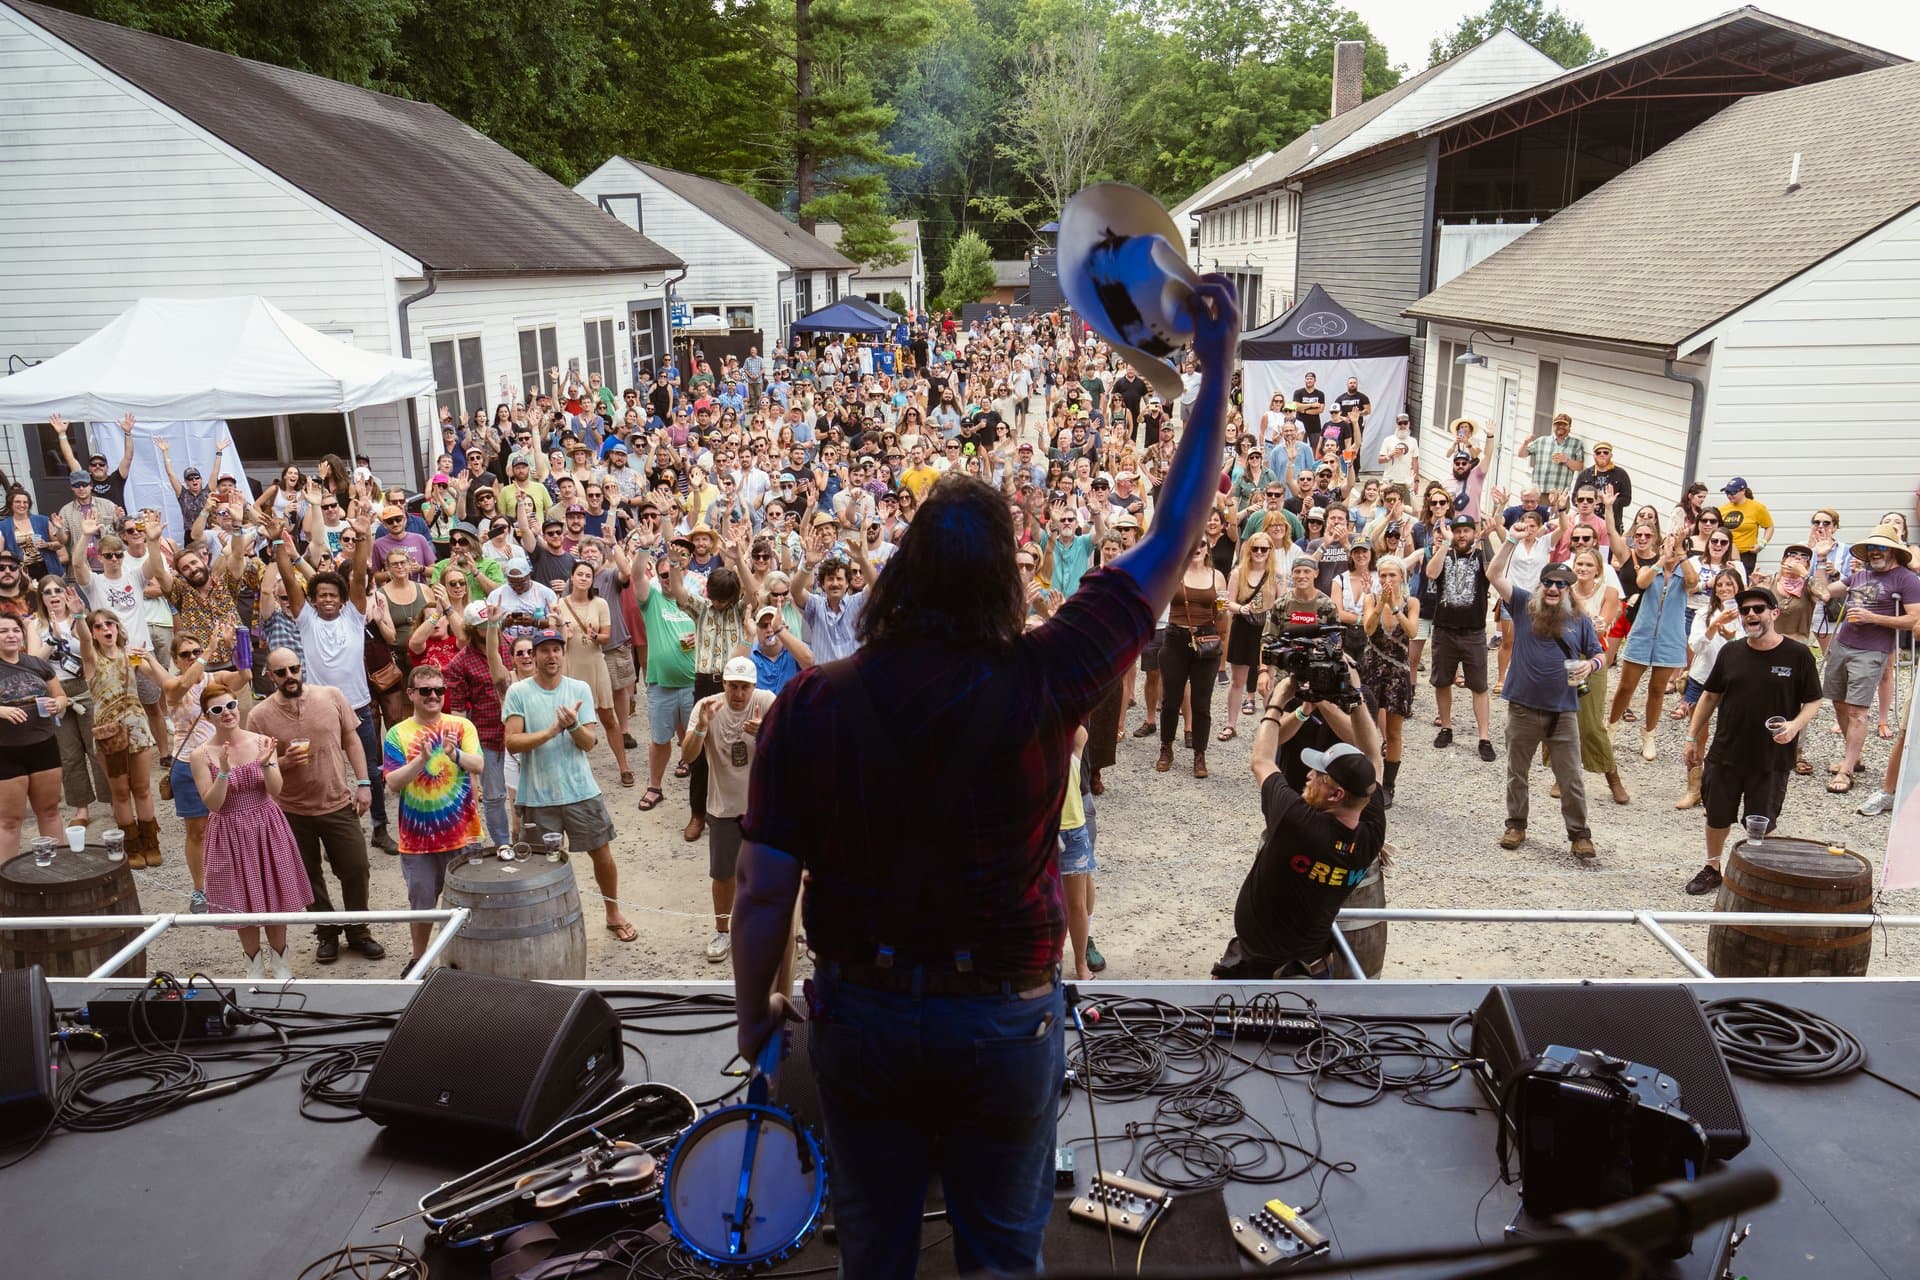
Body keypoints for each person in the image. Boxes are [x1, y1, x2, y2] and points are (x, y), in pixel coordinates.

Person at [729, 276, 1240, 1276]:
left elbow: (760, 891)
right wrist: (1218, 366)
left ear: (897, 575)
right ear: (1009, 578)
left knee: (871, 1250)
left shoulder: (812, 705)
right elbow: (1176, 537)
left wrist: (758, 1022)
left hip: (862, 1015)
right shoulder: (1050, 673)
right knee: (1003, 1257)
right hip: (1002, 1019)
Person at [1214, 671, 1385, 978]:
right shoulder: (1371, 830)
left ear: (1336, 794)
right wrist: (1356, 696)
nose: (1308, 775)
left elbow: (1262, 761)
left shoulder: (1298, 823)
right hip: (1312, 968)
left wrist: (1276, 704)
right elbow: (1374, 754)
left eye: (1318, 774)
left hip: (1260, 972)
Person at [1680, 586, 1824, 895]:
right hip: (1726, 750)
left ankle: (1757, 873)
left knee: (1762, 819)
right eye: (1745, 611)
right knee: (1717, 813)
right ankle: (1712, 868)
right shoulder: (1731, 651)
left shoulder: (1797, 654)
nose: (1751, 615)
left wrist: (1795, 726)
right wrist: (1692, 737)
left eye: (1758, 609)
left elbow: (1814, 700)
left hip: (1771, 755)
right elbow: (1709, 696)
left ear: (1774, 613)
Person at [247, 646, 386, 964]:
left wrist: (364, 784)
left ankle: (358, 930)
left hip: (337, 801)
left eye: (294, 669)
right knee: (308, 876)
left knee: (356, 868)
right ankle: (326, 933)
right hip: (290, 810)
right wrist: (283, 761)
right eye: (281, 672)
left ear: (301, 667)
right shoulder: (259, 716)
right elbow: (256, 768)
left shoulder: (331, 696)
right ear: (269, 676)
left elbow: (352, 739)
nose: (290, 676)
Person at [502, 626, 635, 941]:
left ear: (563, 653)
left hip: (580, 790)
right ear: (533, 656)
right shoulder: (518, 692)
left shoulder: (579, 689)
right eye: (544, 650)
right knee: (538, 865)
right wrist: (550, 731)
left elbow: (589, 742)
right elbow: (512, 742)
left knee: (601, 854)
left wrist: (573, 724)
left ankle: (613, 912)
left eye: (556, 649)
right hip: (536, 795)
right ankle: (542, 923)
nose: (551, 656)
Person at [1487, 554, 1605, 860]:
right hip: (1523, 708)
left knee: (1571, 778)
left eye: (1561, 585)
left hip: (1563, 712)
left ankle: (1579, 835)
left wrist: (1590, 665)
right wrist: (1511, 539)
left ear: (1569, 590)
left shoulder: (1579, 620)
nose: (1554, 588)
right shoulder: (1524, 604)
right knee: (1517, 772)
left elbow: (1598, 653)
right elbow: (1494, 573)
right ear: (1541, 585)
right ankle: (1516, 825)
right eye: (1549, 582)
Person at [189, 691, 310, 979]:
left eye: (230, 705)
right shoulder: (200, 755)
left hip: (265, 823)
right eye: (217, 710)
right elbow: (213, 804)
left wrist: (268, 762)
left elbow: (276, 789)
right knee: (241, 899)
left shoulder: (261, 742)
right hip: (228, 828)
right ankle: (253, 967)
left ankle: (281, 963)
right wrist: (224, 772)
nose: (227, 712)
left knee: (274, 893)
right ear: (208, 717)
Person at [383, 664, 485, 971]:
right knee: (422, 906)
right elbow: (393, 782)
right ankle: (419, 959)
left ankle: (465, 962)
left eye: (439, 690)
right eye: (425, 691)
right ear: (411, 694)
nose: (433, 696)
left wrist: (454, 755)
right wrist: (422, 759)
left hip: (463, 834)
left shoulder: (461, 726)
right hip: (418, 841)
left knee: (467, 905)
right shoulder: (397, 733)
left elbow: (478, 764)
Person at [1812, 524, 1920, 794]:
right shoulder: (1860, 575)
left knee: (1857, 710)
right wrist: (1822, 559)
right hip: (1843, 644)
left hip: (1872, 651)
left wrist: (1874, 618)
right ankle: (1855, 756)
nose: (1874, 552)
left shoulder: (1906, 579)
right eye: (1871, 548)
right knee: (1838, 702)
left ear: (1893, 550)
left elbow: (1914, 619)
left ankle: (1847, 770)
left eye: (1880, 547)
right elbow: (1823, 592)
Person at [682, 656, 774, 964]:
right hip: (723, 807)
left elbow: (791, 749)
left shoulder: (766, 701)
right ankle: (722, 930)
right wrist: (701, 729)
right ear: (723, 685)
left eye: (744, 687)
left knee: (764, 874)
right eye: (733, 686)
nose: (738, 694)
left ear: (754, 686)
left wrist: (765, 733)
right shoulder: (707, 706)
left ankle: (759, 932)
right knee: (723, 875)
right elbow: (688, 754)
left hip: (763, 807)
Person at [158, 636, 250, 911]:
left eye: (196, 652)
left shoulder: (215, 678)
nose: (193, 657)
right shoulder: (173, 686)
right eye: (186, 654)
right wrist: (209, 650)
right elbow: (185, 684)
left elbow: (245, 675)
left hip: (219, 759)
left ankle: (236, 881)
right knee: (197, 832)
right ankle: (200, 888)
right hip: (187, 763)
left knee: (233, 824)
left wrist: (239, 646)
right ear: (175, 660)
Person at [75, 608, 160, 866]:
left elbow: (159, 678)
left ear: (118, 627)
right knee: (120, 792)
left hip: (137, 729)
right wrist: (79, 616)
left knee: (143, 788)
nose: (104, 629)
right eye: (98, 626)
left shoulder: (130, 655)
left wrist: (149, 658)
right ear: (93, 633)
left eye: (108, 623)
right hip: (109, 734)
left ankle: (151, 843)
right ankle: (132, 846)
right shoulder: (91, 660)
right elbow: (84, 641)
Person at [1608, 533, 1694, 762]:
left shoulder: (1684, 572)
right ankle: (1611, 728)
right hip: (1643, 634)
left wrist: (1681, 555)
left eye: (1676, 548)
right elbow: (1641, 582)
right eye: (1668, 545)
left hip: (1669, 637)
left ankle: (1649, 734)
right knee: (1626, 686)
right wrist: (1661, 560)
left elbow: (1693, 583)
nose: (1671, 550)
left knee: (1657, 690)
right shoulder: (1651, 569)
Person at [1426, 515, 1497, 761]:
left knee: (1479, 685)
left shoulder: (1480, 556)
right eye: (1458, 531)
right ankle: (1446, 727)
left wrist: (1486, 539)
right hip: (1444, 630)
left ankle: (1484, 737)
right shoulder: (1444, 554)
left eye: (1467, 531)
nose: (1462, 535)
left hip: (1473, 632)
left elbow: (1493, 572)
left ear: (1473, 533)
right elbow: (1431, 573)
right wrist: (1444, 544)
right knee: (1442, 681)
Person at [0, 612, 67, 862]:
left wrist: (56, 705)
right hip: (6, 750)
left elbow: (61, 697)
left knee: (49, 811)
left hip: (43, 745)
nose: (10, 635)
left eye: (15, 630)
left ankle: (56, 869)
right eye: (3, 631)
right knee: (9, 820)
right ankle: (5, 882)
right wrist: (2, 710)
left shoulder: (37, 664)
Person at [1158, 540, 1226, 778]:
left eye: (1202, 543)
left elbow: (1222, 612)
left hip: (1205, 641)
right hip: (1176, 638)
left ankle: (1199, 754)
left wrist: (1220, 641)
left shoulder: (1217, 577)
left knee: (1201, 703)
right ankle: (1166, 747)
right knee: (1170, 700)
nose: (1197, 548)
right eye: (1192, 543)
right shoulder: (1174, 572)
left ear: (1208, 548)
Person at [1361, 555, 1418, 805]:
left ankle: (1389, 786)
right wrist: (1379, 605)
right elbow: (1368, 629)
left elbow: (1413, 632)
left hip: (1397, 672)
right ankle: (1366, 780)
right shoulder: (1370, 599)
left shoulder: (1411, 602)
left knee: (1393, 732)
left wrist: (1394, 606)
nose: (1386, 580)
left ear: (1401, 577)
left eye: (1392, 575)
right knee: (1366, 728)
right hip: (1372, 668)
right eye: (1382, 575)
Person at [1717, 477, 1774, 573]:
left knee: (1743, 582)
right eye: (1727, 493)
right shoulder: (1723, 509)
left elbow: (1769, 527)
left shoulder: (1757, 508)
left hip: (1746, 555)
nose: (1729, 496)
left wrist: (1762, 544)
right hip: (1725, 553)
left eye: (1733, 492)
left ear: (1743, 491)